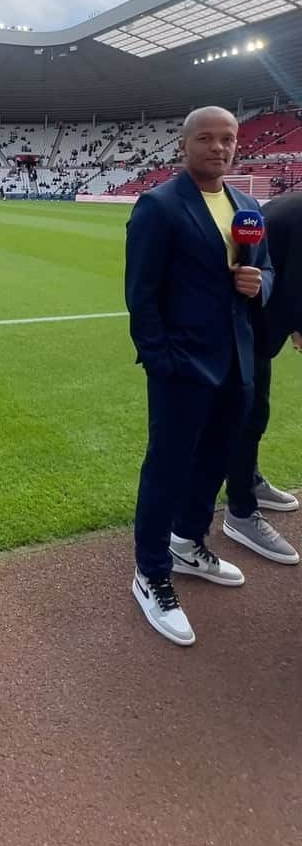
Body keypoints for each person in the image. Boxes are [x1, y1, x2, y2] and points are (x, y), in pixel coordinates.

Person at [125, 106, 273, 646]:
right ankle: (150, 573)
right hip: (182, 366)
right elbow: (140, 295)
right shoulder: (159, 206)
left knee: (214, 461)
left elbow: (268, 270)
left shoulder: (249, 206)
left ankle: (188, 542)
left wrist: (261, 284)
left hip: (237, 361)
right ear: (184, 146)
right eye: (206, 139)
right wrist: (161, 361)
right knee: (166, 467)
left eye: (228, 139)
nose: (219, 147)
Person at [224, 190, 302, 564]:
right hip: (246, 324)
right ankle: (240, 511)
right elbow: (295, 285)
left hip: (257, 320)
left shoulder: (293, 205)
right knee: (247, 416)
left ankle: (249, 479)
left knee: (256, 412)